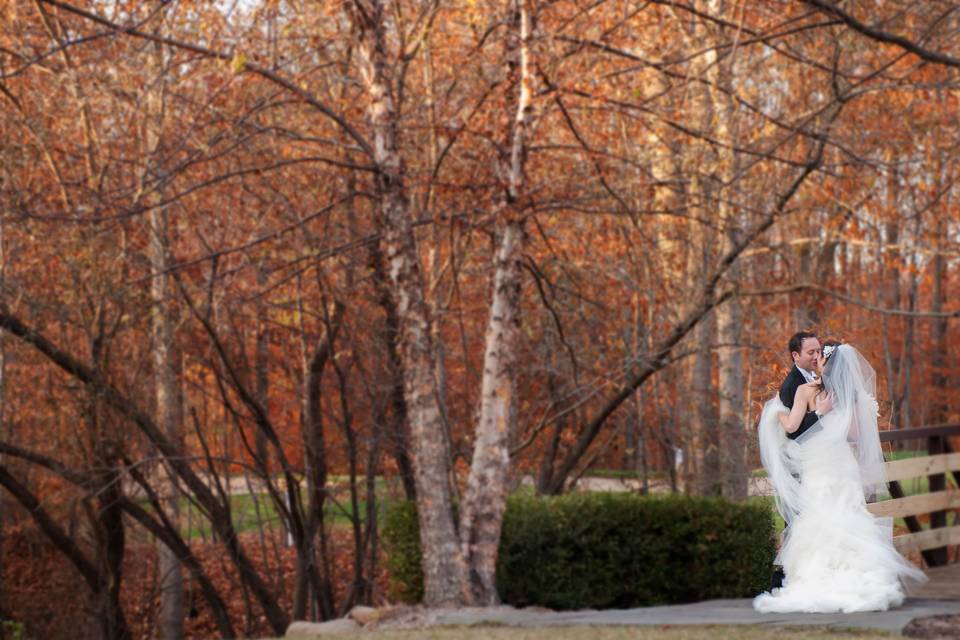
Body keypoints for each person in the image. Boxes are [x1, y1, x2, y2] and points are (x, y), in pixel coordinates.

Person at [754, 341, 926, 613]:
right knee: (849, 515)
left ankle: (815, 578)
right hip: (842, 465)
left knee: (818, 518)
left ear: (823, 363)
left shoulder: (805, 391)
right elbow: (856, 436)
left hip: (818, 465)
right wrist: (860, 413)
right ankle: (860, 578)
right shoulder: (850, 395)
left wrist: (777, 413)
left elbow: (792, 429)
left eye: (819, 357)